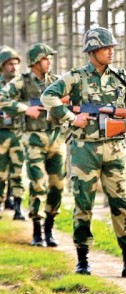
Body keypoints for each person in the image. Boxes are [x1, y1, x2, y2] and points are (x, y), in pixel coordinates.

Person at [41, 27, 126, 278]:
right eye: (106, 47)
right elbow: (49, 96)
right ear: (92, 51)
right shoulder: (76, 77)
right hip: (84, 150)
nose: (111, 51)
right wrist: (71, 117)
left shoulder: (121, 77)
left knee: (122, 202)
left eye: (112, 47)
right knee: (83, 204)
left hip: (115, 148)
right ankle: (83, 260)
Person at [0, 43, 66, 247]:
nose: (50, 62)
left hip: (56, 140)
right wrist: (24, 109)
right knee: (38, 185)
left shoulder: (57, 82)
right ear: (36, 62)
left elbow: (73, 99)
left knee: (57, 187)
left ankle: (50, 228)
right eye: (46, 58)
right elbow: (2, 98)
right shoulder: (22, 82)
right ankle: (37, 231)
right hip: (34, 141)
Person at [0, 46, 25, 220]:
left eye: (16, 63)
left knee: (18, 171)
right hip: (1, 133)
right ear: (2, 66)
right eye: (10, 64)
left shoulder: (22, 85)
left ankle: (18, 207)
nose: (14, 67)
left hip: (18, 133)